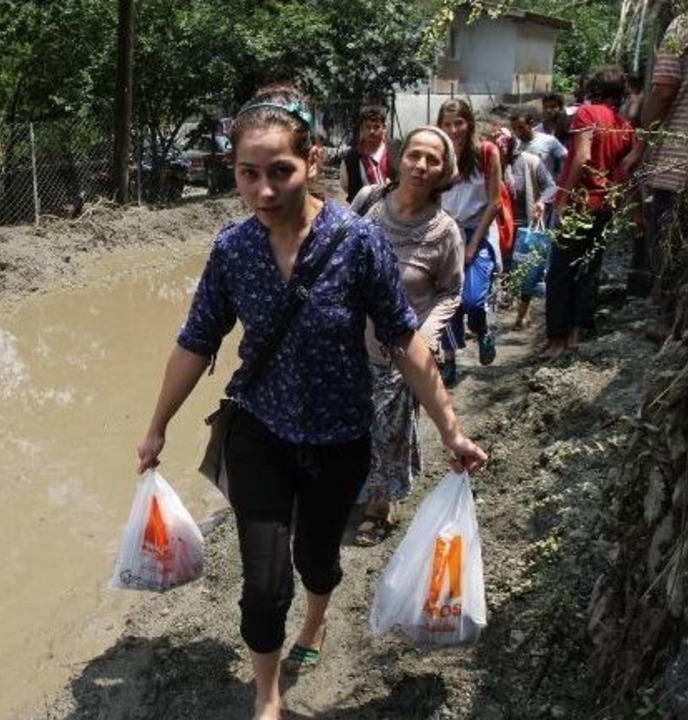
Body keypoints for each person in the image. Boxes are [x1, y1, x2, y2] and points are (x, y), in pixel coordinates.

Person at [134, 84, 487, 720]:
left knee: (315, 560)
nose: (264, 190)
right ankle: (267, 697)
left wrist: (451, 430)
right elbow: (195, 341)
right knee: (264, 586)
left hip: (339, 437)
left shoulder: (359, 242)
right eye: (248, 174)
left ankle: (317, 618)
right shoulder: (232, 250)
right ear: (234, 172)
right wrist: (157, 425)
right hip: (260, 433)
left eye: (280, 172)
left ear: (313, 162)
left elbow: (406, 341)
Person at [349, 126, 464, 546]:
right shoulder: (368, 201)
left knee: (389, 431)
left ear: (444, 171)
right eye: (415, 155)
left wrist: (426, 336)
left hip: (400, 348)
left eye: (433, 160)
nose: (421, 165)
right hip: (347, 342)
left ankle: (378, 507)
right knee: (351, 424)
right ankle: (348, 488)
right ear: (400, 158)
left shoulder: (444, 231)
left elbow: (451, 291)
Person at [546, 66, 636, 359]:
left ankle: (556, 341)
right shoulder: (623, 125)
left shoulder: (587, 115)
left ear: (592, 88)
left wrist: (564, 197)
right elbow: (624, 169)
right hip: (604, 205)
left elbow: (582, 156)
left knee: (560, 272)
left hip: (579, 203)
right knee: (588, 269)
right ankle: (575, 335)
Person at [623, 10, 688, 337]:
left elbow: (663, 91)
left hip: (679, 164)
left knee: (668, 243)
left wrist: (640, 147)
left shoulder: (683, 25)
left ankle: (668, 318)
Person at [437, 99, 503, 386]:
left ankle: (481, 329)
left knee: (473, 300)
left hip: (478, 230)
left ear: (469, 123)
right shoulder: (437, 155)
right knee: (446, 300)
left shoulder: (486, 153)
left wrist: (474, 244)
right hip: (444, 233)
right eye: (447, 124)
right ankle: (449, 360)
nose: (453, 130)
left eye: (459, 123)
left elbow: (495, 202)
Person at [504, 134, 558, 330]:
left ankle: (523, 311)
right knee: (504, 268)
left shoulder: (530, 162)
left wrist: (541, 201)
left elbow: (551, 186)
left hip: (525, 224)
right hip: (501, 227)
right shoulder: (491, 165)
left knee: (527, 268)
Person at [340, 104, 395, 203]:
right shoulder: (351, 157)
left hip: (394, 210)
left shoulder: (395, 151)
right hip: (363, 213)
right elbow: (346, 186)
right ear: (362, 128)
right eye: (368, 127)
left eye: (376, 127)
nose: (372, 131)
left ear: (384, 128)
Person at [509, 107, 567, 179]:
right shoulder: (515, 145)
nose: (518, 132)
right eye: (514, 128)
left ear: (530, 124)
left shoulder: (548, 141)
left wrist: (561, 180)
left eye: (521, 127)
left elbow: (566, 159)